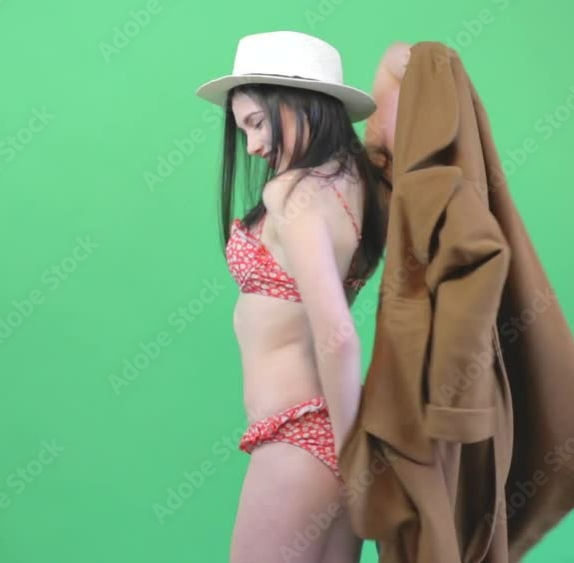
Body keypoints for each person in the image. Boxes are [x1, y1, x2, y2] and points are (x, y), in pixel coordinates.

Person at [195, 31, 410, 563]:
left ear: (298, 102)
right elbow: (401, 62)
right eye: (243, 129)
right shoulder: (369, 183)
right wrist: (353, 457)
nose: (252, 146)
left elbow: (338, 335)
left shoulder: (292, 193)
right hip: (336, 437)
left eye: (256, 122)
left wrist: (348, 453)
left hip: (301, 438)